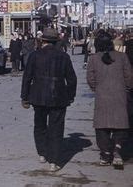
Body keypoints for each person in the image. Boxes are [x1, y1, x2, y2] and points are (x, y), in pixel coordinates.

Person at [21, 28, 77, 172]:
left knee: (39, 125)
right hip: (59, 96)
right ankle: (54, 161)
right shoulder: (63, 56)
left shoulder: (34, 55)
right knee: (56, 128)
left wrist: (25, 97)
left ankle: (42, 153)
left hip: (38, 96)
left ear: (42, 40)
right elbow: (72, 79)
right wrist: (70, 96)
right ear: (56, 41)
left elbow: (27, 77)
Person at [87, 30, 132, 167]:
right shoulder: (122, 57)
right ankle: (117, 150)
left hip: (102, 96)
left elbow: (90, 79)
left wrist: (97, 89)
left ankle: (106, 154)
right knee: (120, 125)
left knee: (102, 127)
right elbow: (129, 77)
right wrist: (126, 88)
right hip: (120, 95)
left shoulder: (94, 59)